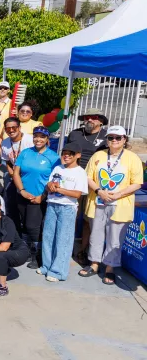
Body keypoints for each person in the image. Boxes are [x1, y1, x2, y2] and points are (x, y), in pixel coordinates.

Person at [80, 125, 143, 285]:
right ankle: (94, 264)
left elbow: (137, 183)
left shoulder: (132, 158)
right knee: (96, 234)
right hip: (99, 201)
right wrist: (100, 191)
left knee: (115, 238)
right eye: (111, 137)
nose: (114, 140)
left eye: (118, 137)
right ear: (106, 140)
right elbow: (88, 177)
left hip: (119, 203)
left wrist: (118, 194)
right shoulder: (98, 156)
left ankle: (110, 268)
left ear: (124, 139)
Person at [38, 142, 88, 282]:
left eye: (70, 153)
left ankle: (58, 271)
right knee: (48, 237)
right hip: (52, 205)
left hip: (67, 208)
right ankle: (46, 266)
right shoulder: (58, 168)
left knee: (63, 239)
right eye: (64, 153)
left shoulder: (80, 172)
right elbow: (49, 184)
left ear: (78, 155)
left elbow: (77, 194)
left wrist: (59, 189)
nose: (66, 156)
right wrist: (50, 186)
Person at [12, 126, 60, 269]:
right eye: (36, 136)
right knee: (23, 225)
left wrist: (42, 196)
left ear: (47, 139)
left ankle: (37, 255)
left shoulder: (53, 157)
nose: (38, 139)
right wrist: (21, 191)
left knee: (33, 227)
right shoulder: (26, 153)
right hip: (22, 195)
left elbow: (56, 180)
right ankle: (25, 251)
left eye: (42, 137)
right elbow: (16, 173)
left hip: (38, 197)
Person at [67, 107, 109, 263]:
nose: (90, 119)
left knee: (88, 220)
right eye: (87, 117)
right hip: (73, 180)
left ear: (101, 121)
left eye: (94, 117)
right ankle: (66, 247)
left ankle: (83, 251)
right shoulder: (75, 134)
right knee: (70, 216)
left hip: (94, 183)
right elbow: (66, 154)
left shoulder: (107, 136)